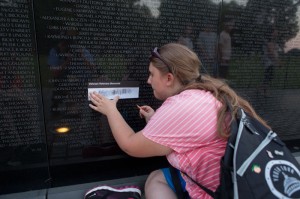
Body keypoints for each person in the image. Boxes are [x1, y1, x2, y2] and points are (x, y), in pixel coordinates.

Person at [89, 43, 269, 198]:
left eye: (152, 74)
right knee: (157, 178)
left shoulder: (182, 105)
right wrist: (154, 120)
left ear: (169, 78)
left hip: (220, 193)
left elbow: (130, 145)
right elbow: (189, 133)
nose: (148, 80)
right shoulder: (203, 94)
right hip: (238, 181)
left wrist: (110, 110)